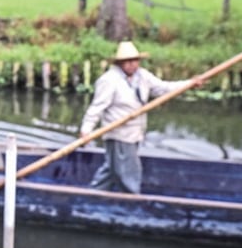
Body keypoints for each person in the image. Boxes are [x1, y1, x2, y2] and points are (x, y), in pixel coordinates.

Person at [79, 42, 202, 194]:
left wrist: (189, 84)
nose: (132, 65)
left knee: (113, 169)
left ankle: (93, 193)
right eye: (128, 62)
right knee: (129, 172)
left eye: (135, 61)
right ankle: (133, 200)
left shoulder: (142, 76)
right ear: (120, 63)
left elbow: (163, 88)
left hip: (135, 132)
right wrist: (86, 130)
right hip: (119, 135)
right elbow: (97, 107)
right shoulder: (109, 80)